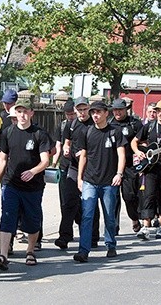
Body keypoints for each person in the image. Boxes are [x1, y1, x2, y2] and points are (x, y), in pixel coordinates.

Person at [0, 99, 52, 270]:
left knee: (32, 220)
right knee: (7, 217)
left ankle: (30, 250)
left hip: (33, 186)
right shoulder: (8, 133)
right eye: (19, 112)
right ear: (14, 114)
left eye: (25, 111)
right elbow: (2, 160)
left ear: (32, 113)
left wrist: (33, 171)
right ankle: (3, 255)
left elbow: (45, 160)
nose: (22, 115)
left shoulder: (39, 134)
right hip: (11, 184)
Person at [73, 101, 126, 263]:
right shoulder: (86, 132)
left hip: (109, 182)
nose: (95, 115)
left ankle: (110, 245)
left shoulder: (115, 132)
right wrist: (79, 178)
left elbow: (121, 154)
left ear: (106, 114)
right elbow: (83, 156)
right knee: (87, 216)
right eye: (93, 112)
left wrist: (119, 174)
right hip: (90, 180)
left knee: (109, 216)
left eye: (98, 112)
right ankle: (84, 250)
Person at [57, 97, 100, 250]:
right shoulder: (71, 124)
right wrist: (66, 150)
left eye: (84, 109)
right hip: (74, 166)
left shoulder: (93, 125)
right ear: (75, 110)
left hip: (91, 168)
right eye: (79, 110)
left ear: (89, 109)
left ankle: (93, 237)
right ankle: (64, 236)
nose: (82, 113)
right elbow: (66, 143)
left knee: (90, 203)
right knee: (68, 200)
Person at [131, 99, 161, 239]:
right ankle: (146, 226)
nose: (160, 114)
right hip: (150, 167)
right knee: (147, 195)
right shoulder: (149, 127)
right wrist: (138, 152)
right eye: (158, 111)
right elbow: (134, 142)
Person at [109, 98, 143, 234]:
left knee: (129, 196)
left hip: (130, 166)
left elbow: (144, 142)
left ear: (126, 110)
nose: (117, 112)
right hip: (112, 166)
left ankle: (134, 218)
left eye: (120, 109)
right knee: (112, 198)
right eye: (115, 109)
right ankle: (113, 226)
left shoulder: (135, 124)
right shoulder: (109, 124)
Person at [51, 99, 79, 249]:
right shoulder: (62, 126)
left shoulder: (82, 125)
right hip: (65, 165)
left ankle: (86, 230)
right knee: (65, 200)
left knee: (77, 200)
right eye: (68, 114)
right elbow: (58, 146)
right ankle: (66, 233)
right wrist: (53, 164)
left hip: (80, 165)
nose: (70, 117)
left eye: (72, 114)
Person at [0, 89, 18, 157]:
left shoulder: (21, 116)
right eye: (5, 103)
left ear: (15, 102)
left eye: (9, 103)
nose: (6, 106)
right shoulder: (1, 116)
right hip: (3, 152)